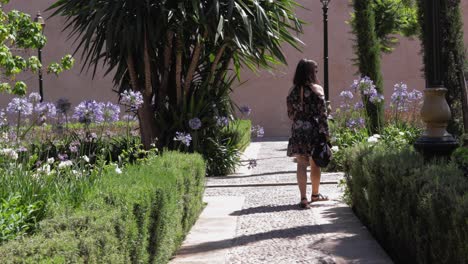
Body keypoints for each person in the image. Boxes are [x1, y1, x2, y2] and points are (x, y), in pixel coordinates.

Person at [287, 59, 330, 209]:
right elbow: (323, 114)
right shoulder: (317, 90)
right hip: (314, 130)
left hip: (298, 130)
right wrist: (326, 133)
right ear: (311, 72)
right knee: (315, 163)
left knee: (301, 164)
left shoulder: (292, 91)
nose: (317, 73)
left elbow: (290, 114)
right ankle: (315, 195)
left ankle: (303, 198)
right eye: (315, 71)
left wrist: (300, 120)